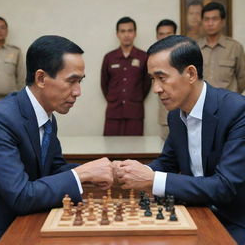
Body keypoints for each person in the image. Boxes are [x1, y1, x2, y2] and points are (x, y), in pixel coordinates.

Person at [114, 35, 245, 244]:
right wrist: (135, 171)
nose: (156, 88)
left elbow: (225, 186)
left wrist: (152, 180)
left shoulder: (237, 111)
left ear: (191, 73)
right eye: (152, 79)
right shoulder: (175, 115)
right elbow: (168, 162)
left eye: (162, 78)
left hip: (235, 221)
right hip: (195, 213)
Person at [0, 35, 114, 244]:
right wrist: (82, 173)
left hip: (33, 222)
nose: (78, 92)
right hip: (3, 234)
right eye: (71, 81)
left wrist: (97, 171)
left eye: (80, 81)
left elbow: (54, 170)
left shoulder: (47, 116)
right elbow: (21, 196)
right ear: (41, 78)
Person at [101, 16, 151, 136]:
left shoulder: (144, 57)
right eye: (122, 31)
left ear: (135, 33)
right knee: (110, 149)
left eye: (130, 31)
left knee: (135, 151)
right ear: (117, 34)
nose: (126, 35)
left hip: (135, 113)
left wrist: (135, 98)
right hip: (113, 112)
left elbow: (147, 84)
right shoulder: (109, 57)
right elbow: (104, 83)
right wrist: (113, 99)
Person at [198, 2, 245, 94]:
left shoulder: (235, 47)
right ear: (202, 22)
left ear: (223, 22)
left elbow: (242, 79)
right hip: (202, 103)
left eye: (214, 19)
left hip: (228, 103)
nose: (210, 23)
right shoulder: (195, 47)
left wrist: (231, 97)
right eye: (206, 19)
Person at [0, 16, 25, 106]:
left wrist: (19, 99)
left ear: (7, 31)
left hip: (10, 101)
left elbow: (21, 78)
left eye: (2, 27)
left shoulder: (15, 51)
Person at [156, 19, 177, 140]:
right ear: (157, 36)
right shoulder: (153, 58)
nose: (164, 38)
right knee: (166, 151)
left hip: (186, 112)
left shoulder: (184, 55)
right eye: (161, 34)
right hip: (166, 115)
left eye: (168, 34)